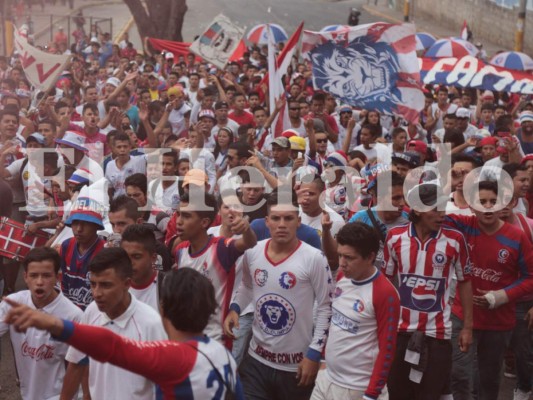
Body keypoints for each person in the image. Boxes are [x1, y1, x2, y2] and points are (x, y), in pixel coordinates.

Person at [4, 265, 244, 399]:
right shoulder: (223, 355)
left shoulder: (175, 357)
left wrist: (54, 324)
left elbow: (113, 346)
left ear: (163, 308)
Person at [224, 189, 333, 400]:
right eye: (276, 218)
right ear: (266, 221)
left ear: (298, 221)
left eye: (288, 218)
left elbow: (326, 306)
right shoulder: (253, 251)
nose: (282, 224)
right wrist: (235, 308)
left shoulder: (315, 258)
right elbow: (247, 287)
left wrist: (314, 353)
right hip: (256, 361)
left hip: (296, 367)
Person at [383, 182, 473, 400]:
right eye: (436, 209)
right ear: (417, 209)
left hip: (438, 334)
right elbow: (385, 282)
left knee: (429, 394)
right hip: (400, 331)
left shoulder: (455, 240)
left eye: (444, 208)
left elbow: (465, 282)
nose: (442, 214)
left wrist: (468, 327)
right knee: (398, 393)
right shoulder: (394, 237)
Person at [444, 180, 533, 400]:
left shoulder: (517, 237)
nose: (488, 207)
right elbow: (427, 211)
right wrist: (449, 185)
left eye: (494, 202)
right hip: (462, 316)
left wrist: (501, 296)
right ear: (471, 206)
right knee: (460, 375)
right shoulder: (462, 225)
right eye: (481, 202)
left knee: (489, 381)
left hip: (499, 321)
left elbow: (530, 277)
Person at [60, 248, 167, 400]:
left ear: (127, 284)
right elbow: (76, 363)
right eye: (93, 284)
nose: (96, 293)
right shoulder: (91, 312)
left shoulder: (151, 324)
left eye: (106, 285)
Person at [311, 222, 400, 400]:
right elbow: (332, 320)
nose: (342, 263)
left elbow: (387, 348)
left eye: (349, 258)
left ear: (370, 257)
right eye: (340, 255)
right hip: (326, 380)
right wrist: (322, 360)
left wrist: (371, 394)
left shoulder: (385, 293)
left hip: (357, 389)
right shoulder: (343, 277)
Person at [0, 247, 82, 400]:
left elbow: (80, 367)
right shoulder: (14, 304)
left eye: (46, 276)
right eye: (34, 275)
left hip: (59, 394)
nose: (39, 282)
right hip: (27, 392)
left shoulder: (74, 316)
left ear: (57, 277)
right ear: (25, 277)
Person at [174, 190, 257, 342]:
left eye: (186, 216)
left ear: (204, 222)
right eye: (178, 214)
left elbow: (249, 242)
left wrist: (246, 229)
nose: (178, 221)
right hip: (184, 336)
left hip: (214, 339)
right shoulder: (180, 251)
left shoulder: (221, 248)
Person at [121, 224, 163, 312]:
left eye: (136, 256)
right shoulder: (115, 287)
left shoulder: (167, 289)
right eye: (125, 256)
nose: (129, 263)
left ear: (153, 258)